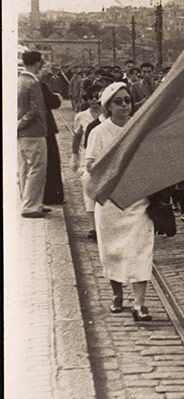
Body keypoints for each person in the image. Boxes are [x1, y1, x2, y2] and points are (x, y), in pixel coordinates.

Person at [84, 82, 156, 321]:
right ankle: (117, 295)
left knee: (140, 250)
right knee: (113, 251)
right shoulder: (99, 132)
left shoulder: (140, 128)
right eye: (119, 101)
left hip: (137, 199)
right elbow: (91, 166)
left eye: (127, 100)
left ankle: (139, 304)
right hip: (110, 201)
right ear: (108, 106)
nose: (124, 105)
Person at [18, 51, 49, 219]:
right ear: (37, 64)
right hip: (35, 132)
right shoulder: (33, 83)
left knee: (24, 168)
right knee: (37, 168)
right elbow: (35, 110)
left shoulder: (19, 81)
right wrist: (21, 123)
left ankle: (27, 201)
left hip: (22, 134)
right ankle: (31, 206)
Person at [72, 83, 104, 239]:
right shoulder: (82, 116)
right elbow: (77, 137)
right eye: (91, 97)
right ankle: (93, 227)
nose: (94, 100)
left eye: (97, 97)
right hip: (87, 157)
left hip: (104, 156)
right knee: (89, 189)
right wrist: (74, 156)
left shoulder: (108, 116)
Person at [40, 68, 65, 206]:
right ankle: (53, 196)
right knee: (52, 162)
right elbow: (54, 102)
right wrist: (57, 97)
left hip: (38, 129)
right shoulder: (41, 85)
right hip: (46, 129)